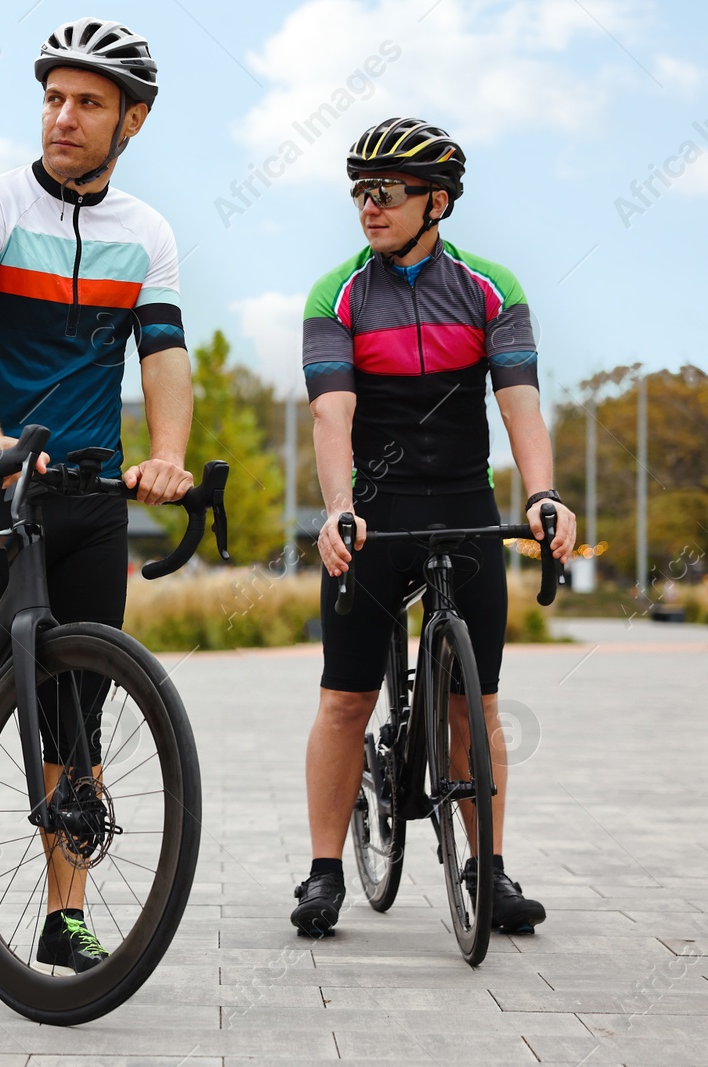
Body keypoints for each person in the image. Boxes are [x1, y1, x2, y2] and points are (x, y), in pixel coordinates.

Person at [0, 17, 195, 980]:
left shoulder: (147, 233)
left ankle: (65, 915)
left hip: (91, 495)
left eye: (89, 102)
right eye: (54, 97)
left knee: (76, 713)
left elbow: (166, 356)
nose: (64, 115)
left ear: (131, 120)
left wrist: (169, 455)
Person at [294, 117, 577, 938]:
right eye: (359, 193)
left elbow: (520, 403)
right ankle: (322, 872)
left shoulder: (491, 288)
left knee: (472, 705)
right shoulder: (337, 293)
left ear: (437, 202)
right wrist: (340, 506)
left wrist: (542, 494)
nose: (367, 207)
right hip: (376, 513)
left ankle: (487, 868)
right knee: (346, 701)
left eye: (384, 193)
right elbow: (331, 413)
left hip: (462, 505)